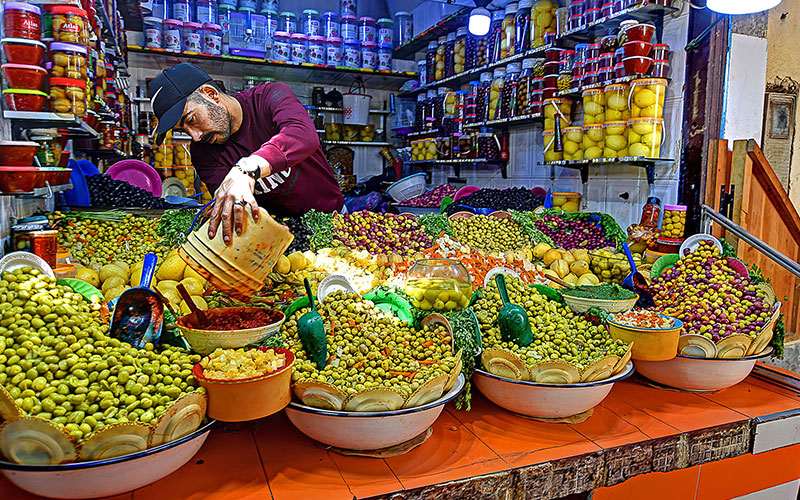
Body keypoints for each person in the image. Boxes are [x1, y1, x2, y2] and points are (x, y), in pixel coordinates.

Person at [148, 63, 344, 243]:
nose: (195, 136)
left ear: (210, 94)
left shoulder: (269, 97)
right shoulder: (203, 153)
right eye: (183, 129)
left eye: (191, 120)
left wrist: (246, 169)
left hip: (334, 220)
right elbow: (237, 208)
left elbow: (302, 134)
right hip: (282, 232)